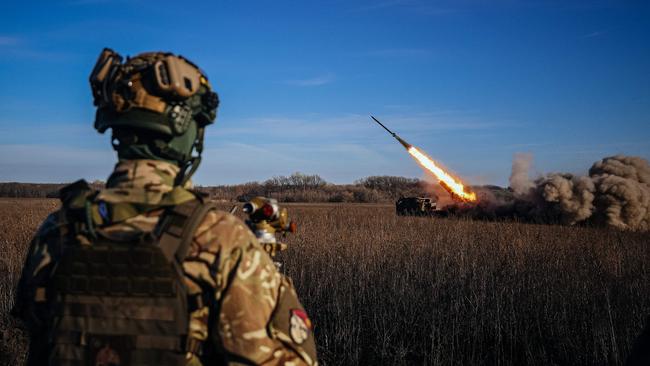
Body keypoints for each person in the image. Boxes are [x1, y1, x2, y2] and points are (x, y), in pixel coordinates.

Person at [12, 48, 318, 366]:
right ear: (187, 132)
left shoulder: (58, 229)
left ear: (116, 126)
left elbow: (36, 333)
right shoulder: (221, 239)